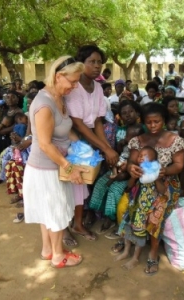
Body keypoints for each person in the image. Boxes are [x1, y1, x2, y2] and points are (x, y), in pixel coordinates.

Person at [23, 55, 86, 268]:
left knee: (47, 211)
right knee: (56, 212)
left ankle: (48, 250)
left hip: (55, 166)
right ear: (59, 76)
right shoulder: (44, 105)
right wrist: (70, 167)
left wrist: (82, 149)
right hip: (46, 169)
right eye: (73, 81)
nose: (75, 86)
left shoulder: (60, 97)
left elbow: (65, 132)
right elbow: (45, 144)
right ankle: (59, 256)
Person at [65, 45, 119, 241]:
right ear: (81, 63)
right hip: (71, 139)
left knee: (81, 184)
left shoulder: (97, 88)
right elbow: (78, 124)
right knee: (68, 183)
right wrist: (105, 148)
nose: (97, 66)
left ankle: (78, 223)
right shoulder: (73, 87)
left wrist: (108, 149)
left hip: (88, 140)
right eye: (92, 62)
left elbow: (96, 121)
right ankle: (64, 227)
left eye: (99, 62)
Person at [127, 102, 184, 275]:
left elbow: (179, 165)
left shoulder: (176, 141)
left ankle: (153, 252)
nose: (152, 126)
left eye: (157, 122)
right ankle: (131, 241)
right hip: (143, 183)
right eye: (148, 122)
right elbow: (131, 162)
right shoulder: (137, 141)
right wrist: (132, 168)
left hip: (166, 184)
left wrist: (164, 171)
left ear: (164, 121)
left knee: (156, 212)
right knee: (131, 206)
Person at [89, 100, 142, 234]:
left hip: (134, 171)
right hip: (119, 165)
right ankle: (100, 213)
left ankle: (111, 217)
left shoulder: (142, 130)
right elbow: (117, 151)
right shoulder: (119, 130)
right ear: (120, 116)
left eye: (131, 111)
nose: (128, 115)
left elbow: (142, 156)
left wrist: (126, 173)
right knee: (100, 184)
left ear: (137, 112)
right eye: (124, 113)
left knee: (114, 189)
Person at [115, 146, 166, 270]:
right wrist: (133, 176)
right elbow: (129, 186)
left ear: (153, 161)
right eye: (139, 156)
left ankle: (135, 258)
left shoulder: (155, 173)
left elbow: (162, 191)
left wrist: (157, 179)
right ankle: (127, 251)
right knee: (126, 230)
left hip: (143, 213)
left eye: (145, 156)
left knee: (139, 234)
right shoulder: (137, 172)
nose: (141, 157)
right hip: (132, 207)